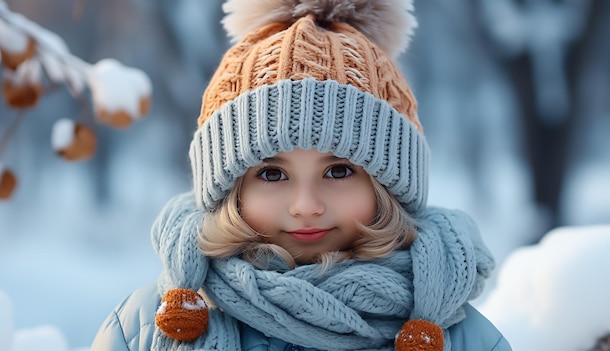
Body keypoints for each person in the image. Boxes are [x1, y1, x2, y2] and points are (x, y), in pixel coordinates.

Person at [89, 0, 512, 350]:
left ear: (388, 187)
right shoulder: (150, 325)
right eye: (272, 174)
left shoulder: (459, 338)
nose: (306, 206)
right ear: (228, 190)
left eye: (339, 170)